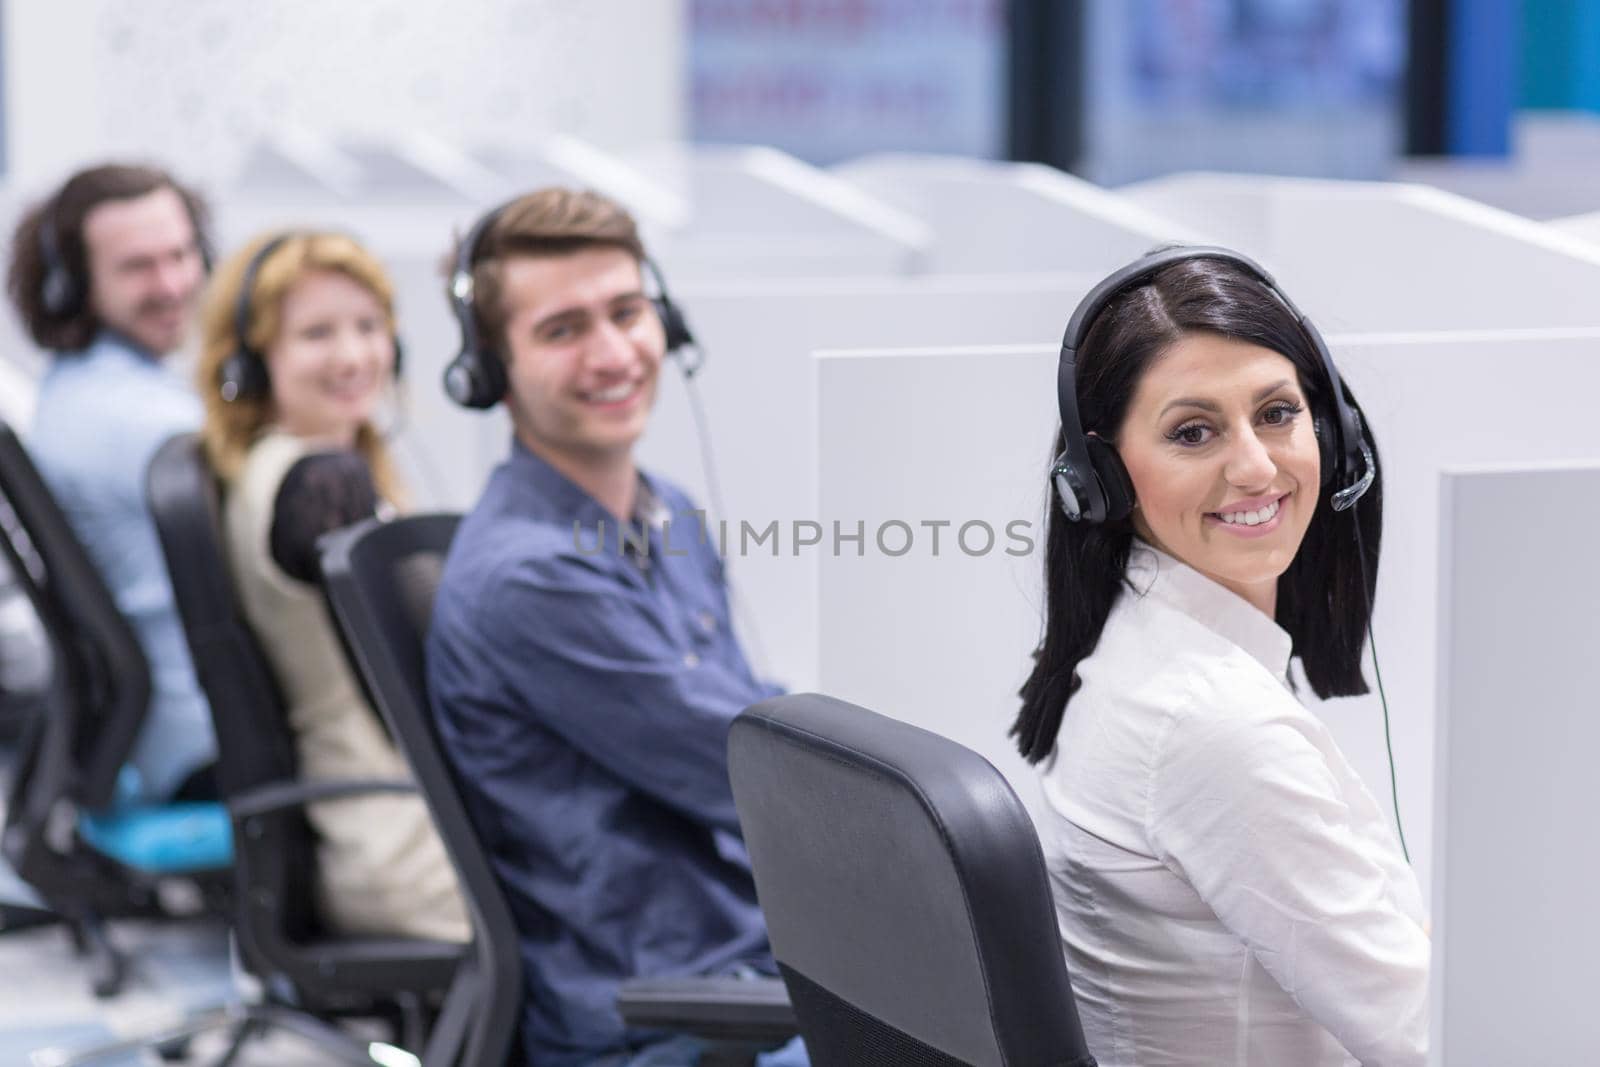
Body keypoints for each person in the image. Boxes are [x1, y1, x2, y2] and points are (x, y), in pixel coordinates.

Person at [1013, 247, 1429, 1066]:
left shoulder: (1144, 653)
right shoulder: (1210, 726)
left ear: (1333, 435)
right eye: (1193, 431)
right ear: (1102, 478)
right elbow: (1440, 1037)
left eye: (1277, 413)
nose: (1255, 466)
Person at [427, 189, 807, 1067]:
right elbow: (750, 773)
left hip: (740, 955)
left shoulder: (664, 508)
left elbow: (743, 718)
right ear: (491, 369)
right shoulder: (531, 577)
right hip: (664, 1010)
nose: (612, 353)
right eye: (562, 330)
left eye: (628, 312)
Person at [195, 231, 468, 943]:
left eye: (369, 327)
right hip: (409, 845)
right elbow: (436, 674)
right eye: (316, 333)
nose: (353, 356)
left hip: (391, 825)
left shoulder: (285, 466)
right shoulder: (321, 485)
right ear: (251, 362)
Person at [6, 163, 217, 803]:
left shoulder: (80, 390)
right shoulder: (142, 424)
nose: (173, 283)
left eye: (182, 254)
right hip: (211, 745)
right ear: (71, 286)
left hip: (169, 739)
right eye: (138, 267)